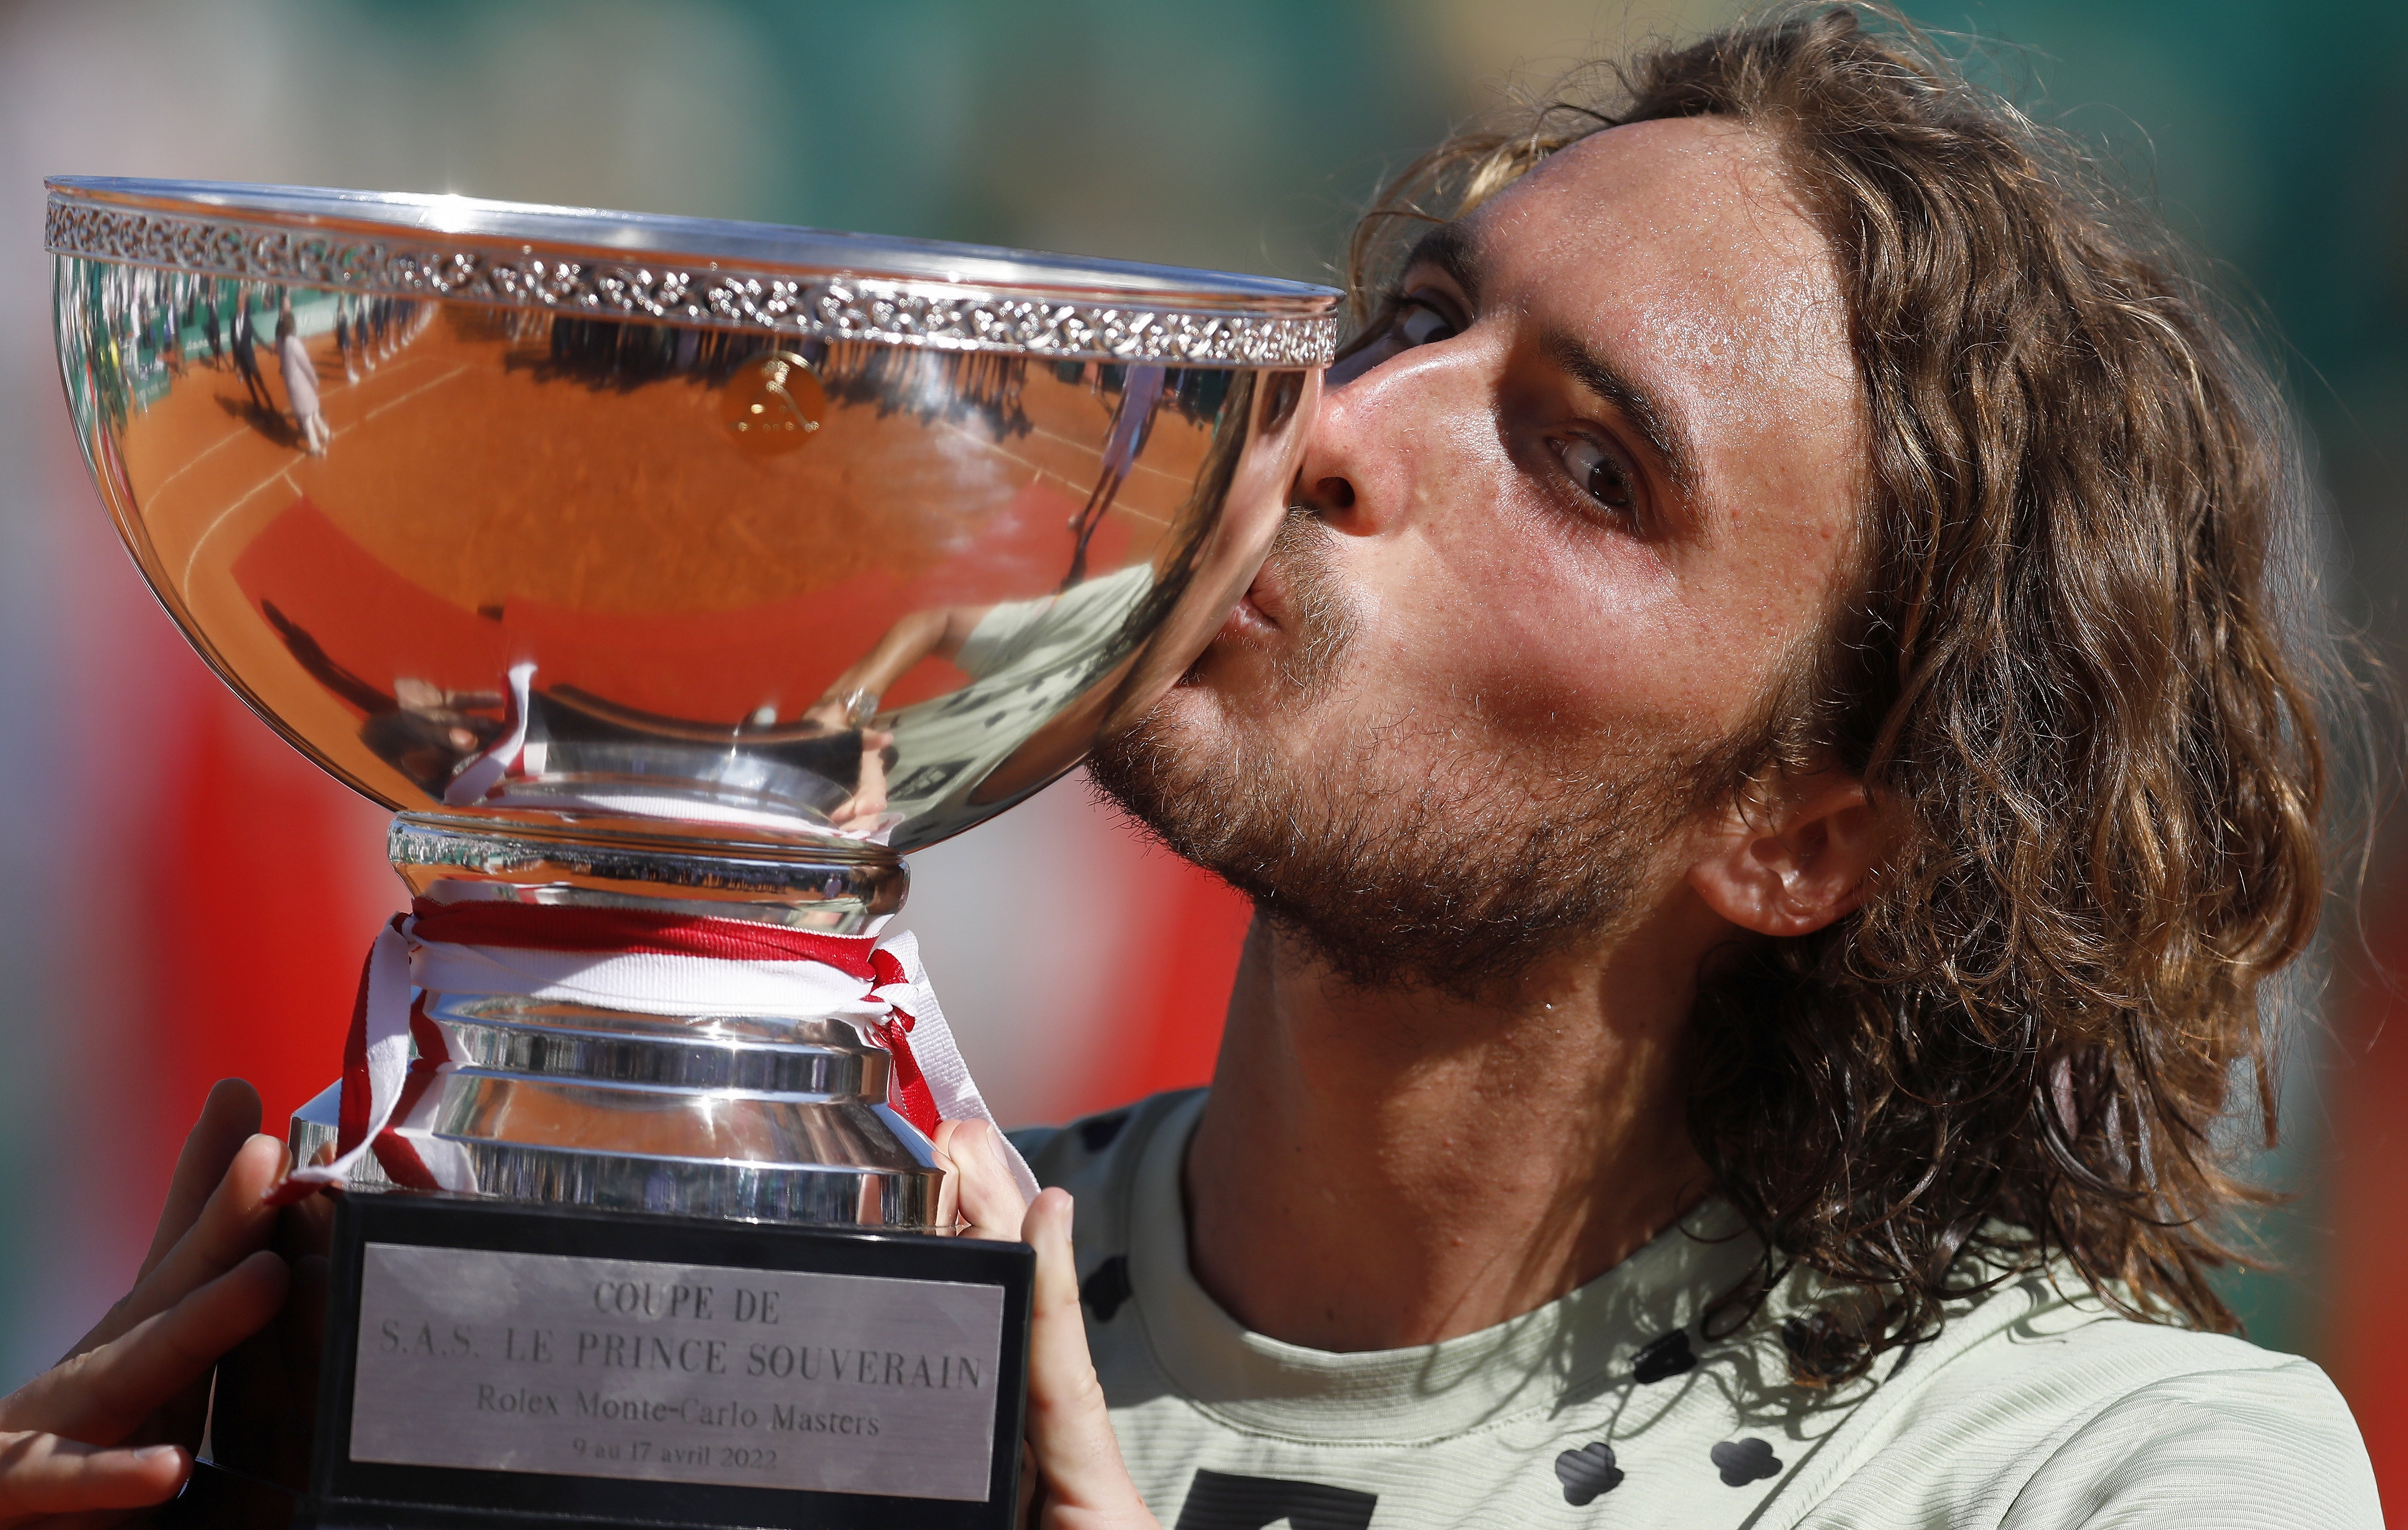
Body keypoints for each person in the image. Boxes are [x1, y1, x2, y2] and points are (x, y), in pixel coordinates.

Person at [0, 7, 2383, 1526]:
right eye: (1420, 315)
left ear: (1805, 824)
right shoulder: (812, 1331)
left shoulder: (2106, 1470)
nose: (1341, 427)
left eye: (1581, 462)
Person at [274, 298, 330, 456]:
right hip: (300, 383)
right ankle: (315, 447)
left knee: (312, 411)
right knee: (308, 415)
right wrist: (314, 379)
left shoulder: (281, 341)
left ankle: (325, 433)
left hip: (291, 383)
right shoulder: (293, 343)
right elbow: (305, 363)